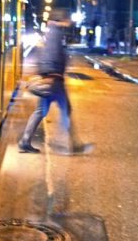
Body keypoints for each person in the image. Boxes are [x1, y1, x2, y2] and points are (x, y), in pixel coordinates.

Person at [18, 9, 92, 155]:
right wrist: (51, 73)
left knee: (41, 111)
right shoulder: (56, 33)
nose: (69, 21)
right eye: (67, 19)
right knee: (66, 110)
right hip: (54, 79)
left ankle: (25, 141)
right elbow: (51, 54)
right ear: (61, 19)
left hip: (51, 77)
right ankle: (73, 145)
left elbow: (45, 55)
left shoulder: (51, 32)